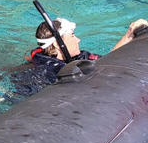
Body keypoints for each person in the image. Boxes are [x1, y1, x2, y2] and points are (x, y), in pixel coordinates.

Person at [10, 16, 148, 97]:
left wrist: (129, 34)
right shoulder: (51, 70)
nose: (78, 40)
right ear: (59, 44)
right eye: (72, 36)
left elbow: (107, 60)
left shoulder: (76, 56)